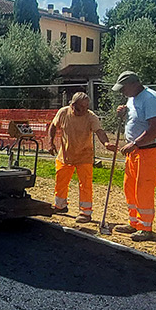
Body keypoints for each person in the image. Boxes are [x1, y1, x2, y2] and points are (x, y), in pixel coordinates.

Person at [109, 70, 156, 241]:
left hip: (148, 148)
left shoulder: (151, 98)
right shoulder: (132, 98)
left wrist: (135, 143)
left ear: (134, 84)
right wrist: (123, 113)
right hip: (136, 150)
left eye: (123, 88)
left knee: (143, 188)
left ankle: (145, 227)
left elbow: (155, 128)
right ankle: (134, 222)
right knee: (130, 186)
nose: (122, 92)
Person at [47, 91, 111, 225]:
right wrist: (50, 143)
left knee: (85, 184)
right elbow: (53, 126)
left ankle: (85, 212)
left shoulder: (91, 117)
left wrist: (106, 143)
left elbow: (99, 131)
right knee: (61, 181)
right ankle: (60, 205)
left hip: (84, 156)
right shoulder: (63, 112)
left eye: (86, 107)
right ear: (73, 105)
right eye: (81, 107)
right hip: (65, 155)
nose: (84, 110)